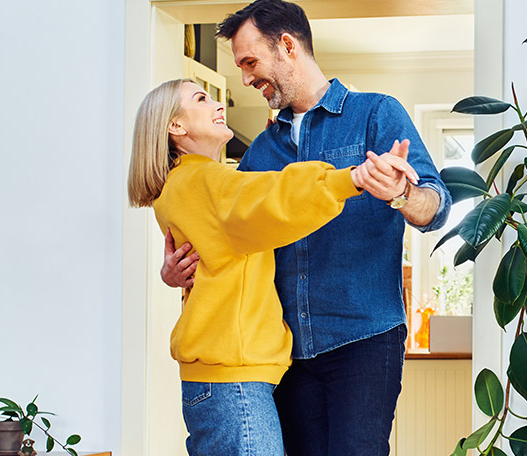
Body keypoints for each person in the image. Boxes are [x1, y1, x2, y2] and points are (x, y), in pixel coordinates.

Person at [160, 1, 453, 455]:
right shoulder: (258, 151)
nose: (245, 79)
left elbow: (435, 207)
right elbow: (231, 230)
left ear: (288, 46)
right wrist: (175, 271)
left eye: (250, 62)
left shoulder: (375, 114)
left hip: (364, 339)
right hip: (285, 354)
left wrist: (399, 192)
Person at [128, 79, 416, 456]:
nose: (217, 103)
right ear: (175, 127)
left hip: (218, 378)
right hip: (235, 380)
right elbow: (271, 199)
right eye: (201, 99)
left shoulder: (182, 185)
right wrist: (352, 178)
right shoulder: (206, 182)